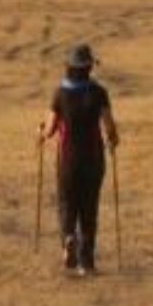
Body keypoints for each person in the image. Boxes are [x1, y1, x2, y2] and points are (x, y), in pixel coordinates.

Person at [39, 44, 119, 277]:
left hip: (68, 160)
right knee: (89, 208)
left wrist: (41, 132)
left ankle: (68, 238)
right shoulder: (98, 92)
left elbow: (51, 127)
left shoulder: (60, 93)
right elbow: (108, 125)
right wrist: (114, 140)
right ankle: (86, 262)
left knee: (66, 203)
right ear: (89, 68)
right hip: (93, 159)